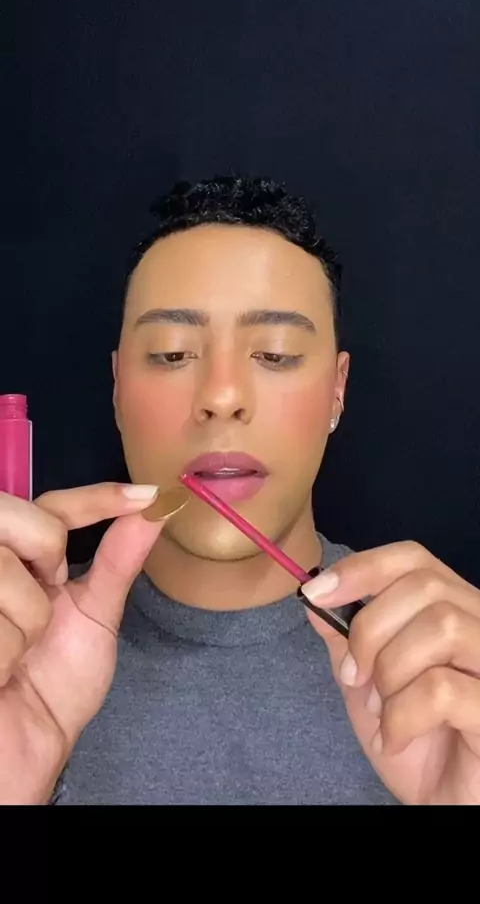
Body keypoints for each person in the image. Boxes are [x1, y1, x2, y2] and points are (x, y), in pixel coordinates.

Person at [1, 175, 479, 806]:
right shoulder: (19, 663)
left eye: (275, 354)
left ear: (338, 390)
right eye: (172, 354)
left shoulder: (450, 676)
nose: (222, 396)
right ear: (117, 388)